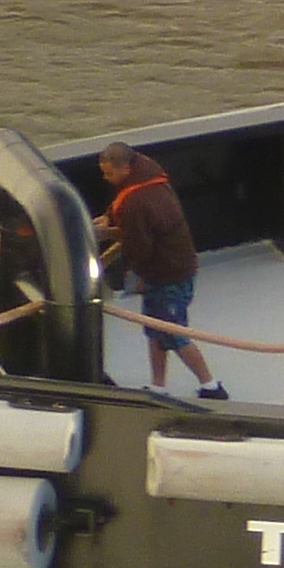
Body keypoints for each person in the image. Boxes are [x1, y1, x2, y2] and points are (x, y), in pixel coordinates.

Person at [94, 141, 224, 401]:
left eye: (109, 173)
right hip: (167, 270)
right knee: (155, 329)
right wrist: (109, 217)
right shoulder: (147, 171)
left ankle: (211, 387)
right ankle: (158, 386)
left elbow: (139, 246)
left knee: (174, 333)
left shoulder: (135, 204)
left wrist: (108, 236)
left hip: (169, 275)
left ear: (126, 169)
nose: (105, 178)